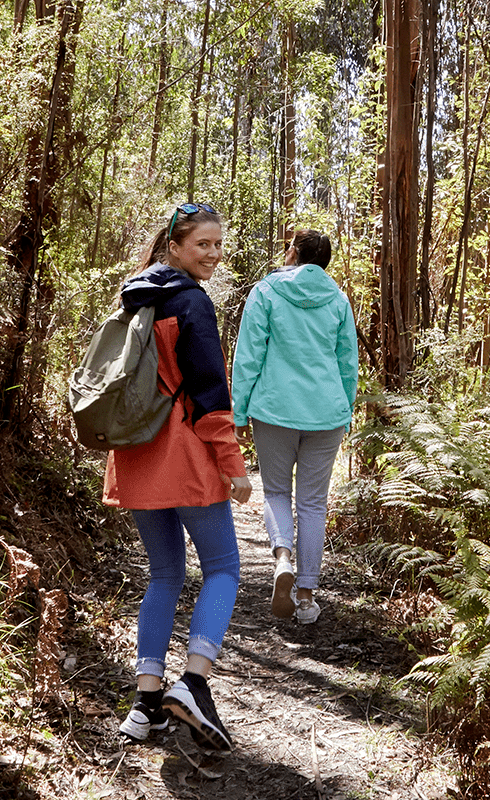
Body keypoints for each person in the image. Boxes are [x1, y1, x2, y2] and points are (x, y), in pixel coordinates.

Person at [106, 203, 251, 757]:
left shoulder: (136, 296)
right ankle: (192, 682)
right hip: (186, 457)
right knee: (223, 568)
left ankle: (144, 707)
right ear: (175, 247)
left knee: (164, 575)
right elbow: (210, 393)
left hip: (137, 456)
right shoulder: (191, 303)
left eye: (218, 244)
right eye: (202, 245)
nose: (212, 254)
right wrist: (233, 467)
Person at [229, 230, 358, 625]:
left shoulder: (266, 292)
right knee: (313, 503)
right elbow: (347, 363)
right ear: (325, 263)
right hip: (326, 415)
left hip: (274, 410)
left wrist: (238, 413)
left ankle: (282, 556)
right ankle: (305, 597)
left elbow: (249, 354)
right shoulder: (337, 300)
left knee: (277, 492)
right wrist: (345, 408)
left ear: (292, 254)